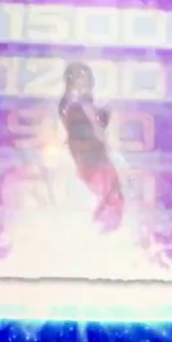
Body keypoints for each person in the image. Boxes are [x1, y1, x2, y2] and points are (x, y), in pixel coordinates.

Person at [57, 62, 124, 232]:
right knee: (111, 192)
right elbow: (80, 126)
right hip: (89, 160)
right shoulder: (72, 106)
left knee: (113, 192)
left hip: (95, 157)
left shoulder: (87, 105)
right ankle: (103, 224)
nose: (83, 83)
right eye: (78, 79)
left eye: (85, 78)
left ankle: (104, 224)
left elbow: (100, 123)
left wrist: (102, 115)